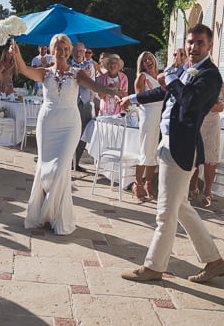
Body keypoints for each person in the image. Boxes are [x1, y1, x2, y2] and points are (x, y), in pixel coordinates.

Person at [119, 24, 224, 283]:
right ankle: (214, 261)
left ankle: (154, 267)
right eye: (191, 42)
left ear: (210, 46)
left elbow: (190, 101)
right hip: (167, 142)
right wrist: (133, 98)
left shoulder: (210, 75)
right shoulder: (185, 70)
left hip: (183, 147)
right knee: (180, 207)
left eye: (200, 43)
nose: (193, 47)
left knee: (165, 212)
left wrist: (171, 79)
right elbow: (164, 91)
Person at [9, 35, 118, 235]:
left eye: (66, 48)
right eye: (59, 48)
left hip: (69, 124)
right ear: (52, 50)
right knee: (45, 168)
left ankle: (54, 215)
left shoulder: (77, 73)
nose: (63, 52)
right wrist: (16, 54)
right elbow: (24, 70)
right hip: (47, 123)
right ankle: (46, 214)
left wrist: (110, 91)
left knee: (60, 169)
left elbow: (95, 87)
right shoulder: (44, 73)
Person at [189, 83, 224, 208]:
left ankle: (207, 193)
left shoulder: (219, 84)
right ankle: (192, 188)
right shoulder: (192, 81)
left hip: (211, 123)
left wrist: (201, 104)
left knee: (209, 158)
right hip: (194, 122)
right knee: (193, 156)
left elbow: (220, 107)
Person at [133, 51, 162, 202]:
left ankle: (148, 184)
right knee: (145, 150)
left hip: (161, 116)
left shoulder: (160, 76)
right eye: (145, 60)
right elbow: (140, 99)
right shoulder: (142, 77)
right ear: (142, 64)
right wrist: (153, 92)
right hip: (149, 115)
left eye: (150, 58)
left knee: (154, 153)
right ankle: (137, 184)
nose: (148, 61)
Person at [70, 41, 96, 171]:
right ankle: (67, 161)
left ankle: (76, 162)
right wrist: (79, 75)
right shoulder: (67, 65)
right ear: (72, 52)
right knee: (69, 132)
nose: (79, 54)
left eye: (82, 51)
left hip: (85, 103)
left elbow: (92, 84)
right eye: (76, 51)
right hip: (70, 103)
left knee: (83, 133)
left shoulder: (90, 66)